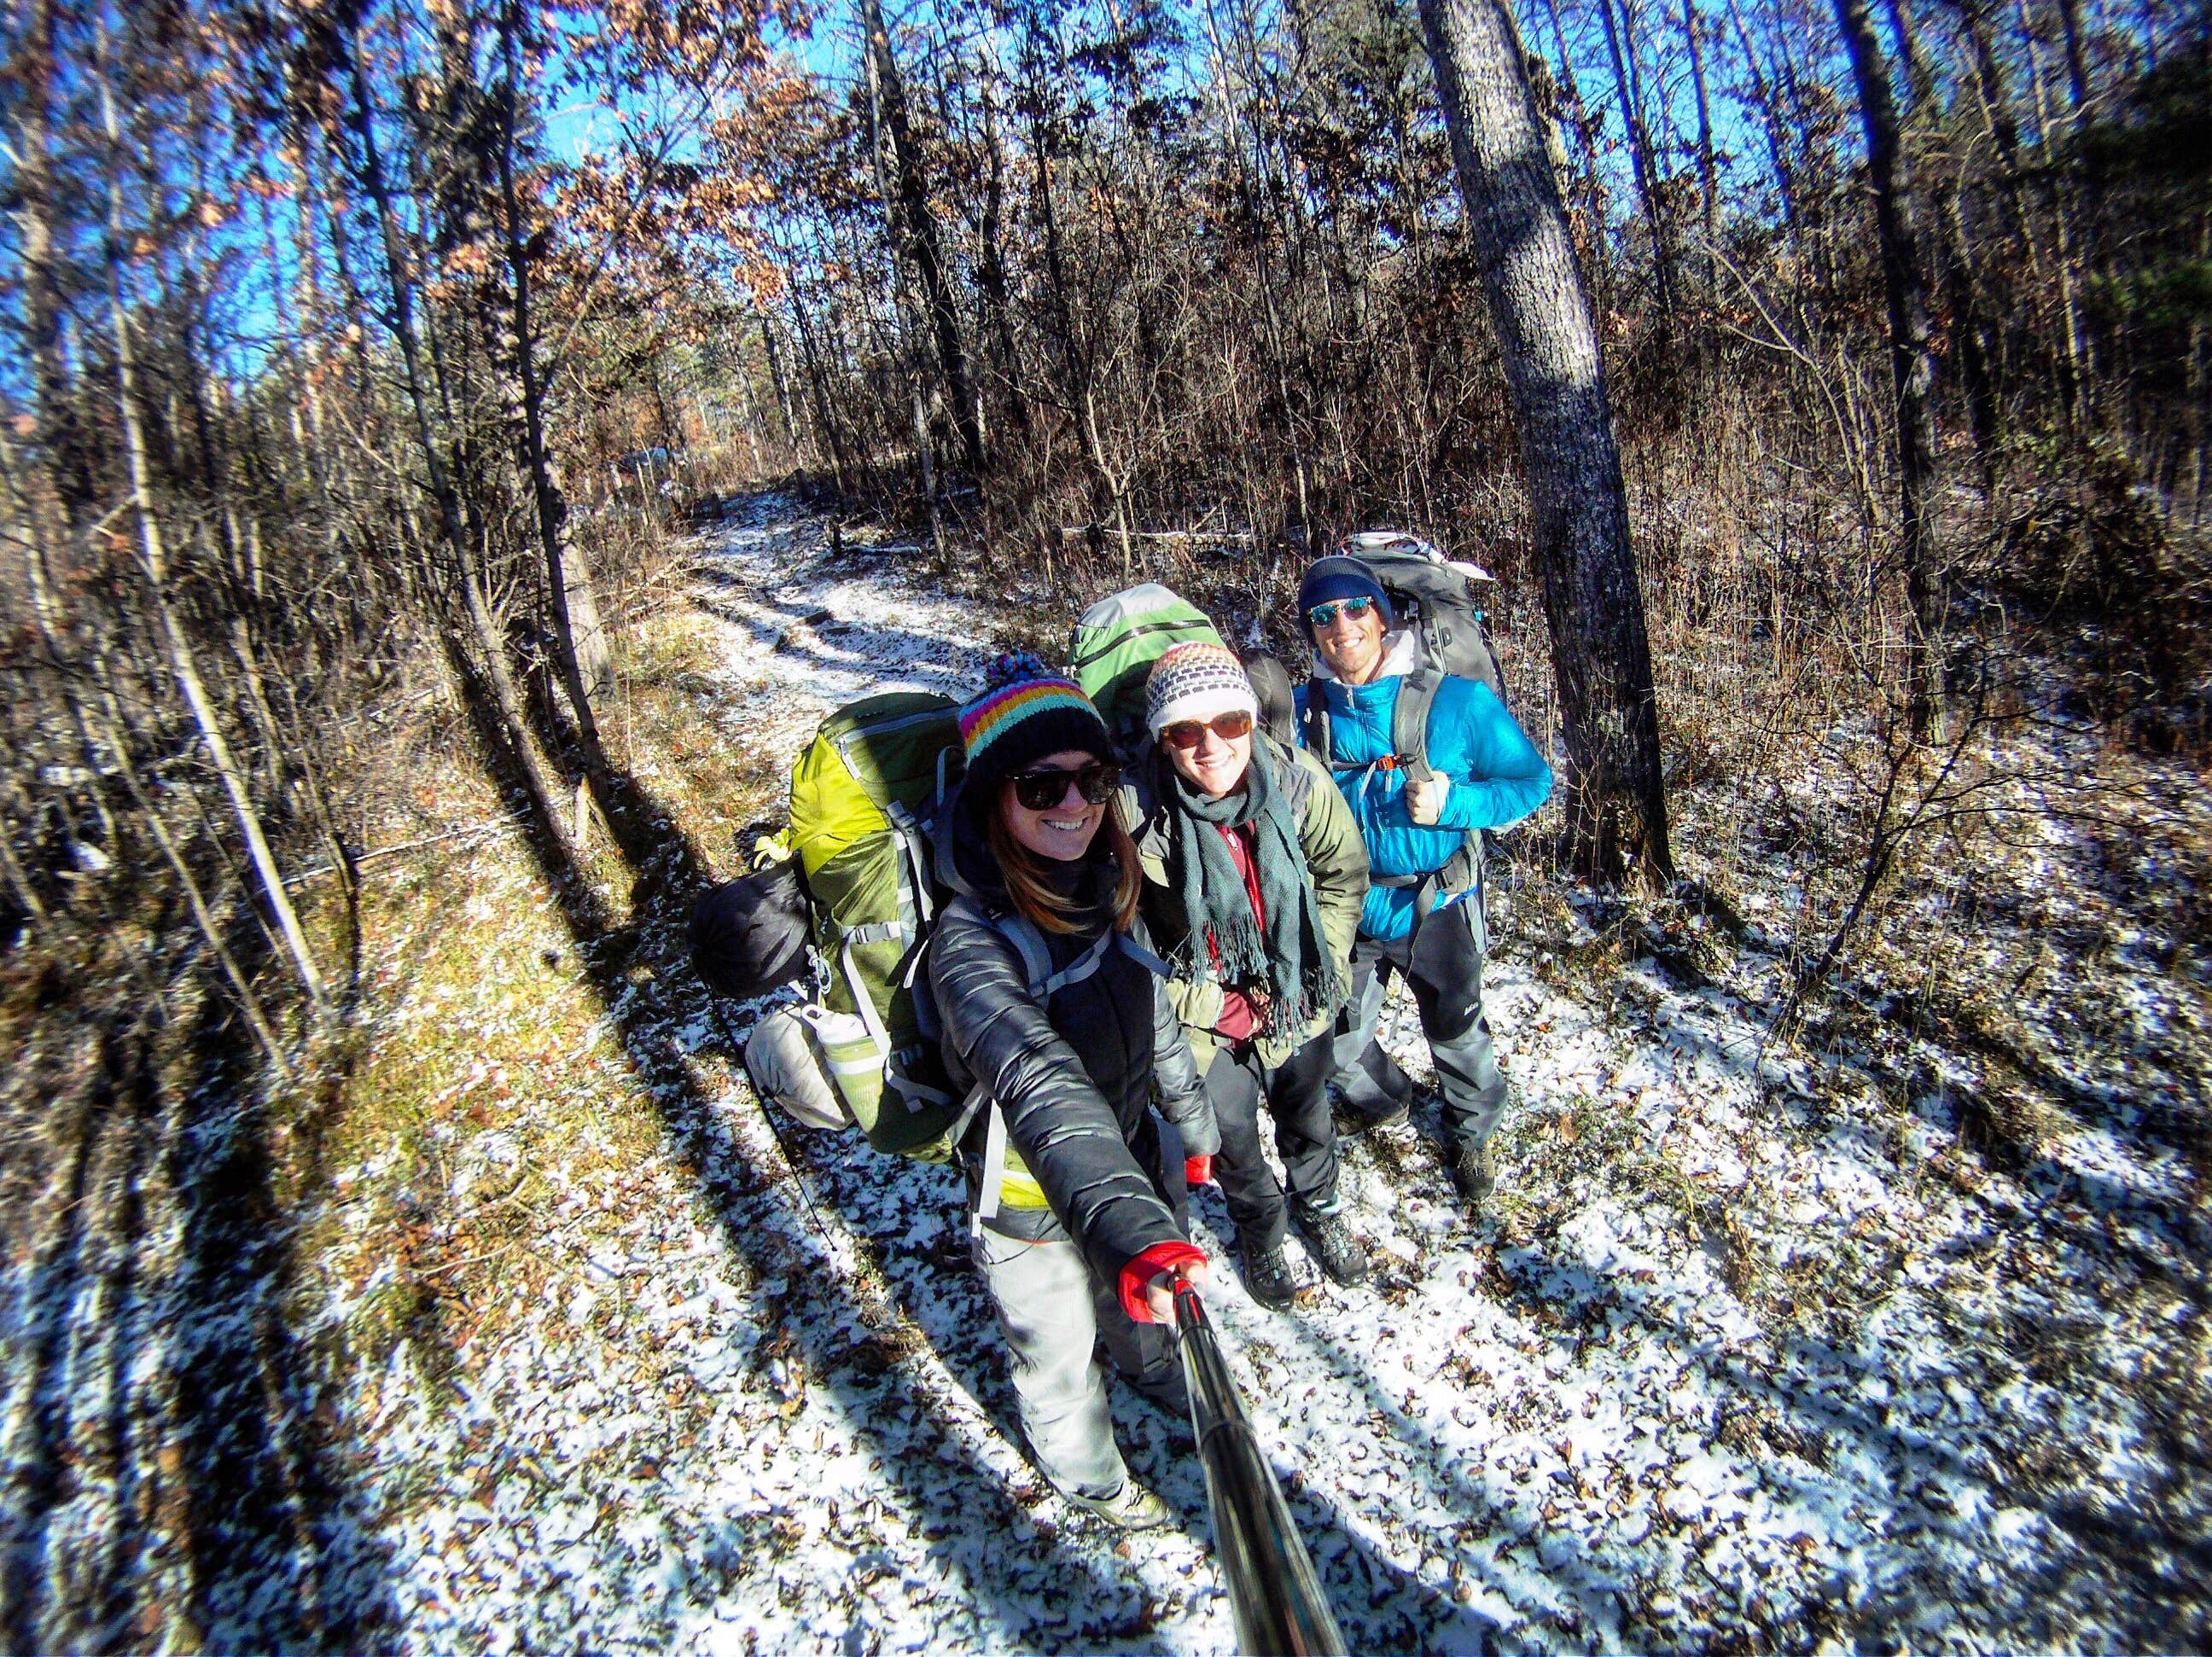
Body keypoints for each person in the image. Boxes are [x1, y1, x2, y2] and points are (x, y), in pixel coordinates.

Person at [929, 654, 1220, 1531]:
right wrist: (1130, 1225)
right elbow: (1039, 1083)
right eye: (1039, 786)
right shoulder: (969, 945)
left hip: (1127, 1154)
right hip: (1028, 1200)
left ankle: (1151, 1367)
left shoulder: (1102, 879)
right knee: (1056, 1348)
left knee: (1133, 1308)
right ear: (992, 800)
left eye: (1093, 779)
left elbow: (1153, 1008)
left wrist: (1194, 1123)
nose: (1075, 806)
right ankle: (1087, 1472)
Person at [1293, 554, 1552, 1209]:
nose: (1341, 626)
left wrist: (1457, 806)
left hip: (1437, 902)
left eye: (1355, 609)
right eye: (1322, 616)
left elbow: (1533, 783)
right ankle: (1387, 1103)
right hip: (1346, 908)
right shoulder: (1303, 713)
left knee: (1457, 1032)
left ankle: (1471, 1131)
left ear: (1382, 617)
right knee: (1339, 1044)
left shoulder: (1457, 703)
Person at [1121, 640, 1370, 1311]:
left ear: (1251, 721)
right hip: (1209, 1027)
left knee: (1307, 1114)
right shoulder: (1137, 818)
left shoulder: (1296, 783)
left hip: (1299, 1003)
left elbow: (1343, 880)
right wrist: (1212, 1005)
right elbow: (1126, 944)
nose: (1211, 746)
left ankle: (1319, 1204)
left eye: (1228, 722)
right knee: (1233, 1142)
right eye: (1185, 731)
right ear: (1163, 741)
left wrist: (1323, 970)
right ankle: (1262, 1234)